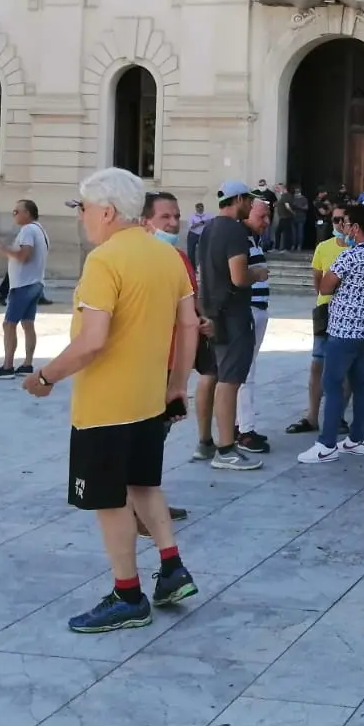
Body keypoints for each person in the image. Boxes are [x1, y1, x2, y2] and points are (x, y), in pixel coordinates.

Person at [23, 168, 199, 632]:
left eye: (82, 208)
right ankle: (172, 566)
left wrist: (46, 376)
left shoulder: (104, 261)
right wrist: (177, 382)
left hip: (105, 407)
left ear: (106, 211)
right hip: (148, 398)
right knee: (144, 484)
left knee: (109, 499)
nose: (81, 217)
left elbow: (92, 340)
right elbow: (188, 325)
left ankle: (127, 593)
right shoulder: (166, 257)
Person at [297, 203, 364, 464]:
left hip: (344, 330)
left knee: (332, 383)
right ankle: (357, 439)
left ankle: (326, 444)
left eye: (345, 224)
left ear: (356, 228)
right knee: (359, 383)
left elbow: (325, 287)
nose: (342, 229)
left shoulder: (350, 255)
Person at [196, 181, 265, 471]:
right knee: (230, 381)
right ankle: (226, 449)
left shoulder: (208, 228)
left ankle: (205, 442)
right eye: (248, 200)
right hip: (233, 315)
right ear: (238, 200)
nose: (251, 205)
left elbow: (205, 275)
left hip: (212, 312)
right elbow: (238, 277)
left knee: (211, 375)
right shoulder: (236, 231)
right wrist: (257, 272)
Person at [140, 190, 193, 527]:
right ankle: (140, 508)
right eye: (165, 217)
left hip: (172, 362)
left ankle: (149, 501)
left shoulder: (178, 257)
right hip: (146, 362)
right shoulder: (138, 259)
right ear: (146, 222)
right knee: (145, 437)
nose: (174, 222)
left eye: (176, 216)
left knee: (158, 435)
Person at [288, 206, 351, 435]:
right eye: (335, 220)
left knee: (344, 369)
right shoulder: (323, 248)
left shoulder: (359, 250)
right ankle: (312, 417)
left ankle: (339, 417)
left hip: (348, 315)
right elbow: (318, 282)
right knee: (317, 365)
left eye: (343, 220)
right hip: (326, 312)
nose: (338, 224)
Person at [0, 200, 48, 379]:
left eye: (16, 212)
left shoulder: (28, 230)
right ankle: (27, 364)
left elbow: (24, 255)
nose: (14, 214)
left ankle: (7, 366)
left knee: (9, 324)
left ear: (27, 213)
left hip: (24, 284)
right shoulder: (40, 229)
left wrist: (6, 251)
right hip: (35, 283)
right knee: (28, 324)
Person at [238, 195, 275, 437]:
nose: (267, 221)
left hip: (258, 309)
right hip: (249, 310)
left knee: (246, 371)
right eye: (261, 216)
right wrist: (258, 273)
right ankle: (245, 429)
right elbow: (239, 275)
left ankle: (241, 425)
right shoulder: (240, 239)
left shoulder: (253, 238)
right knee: (244, 373)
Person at [272, 185, 298, 252]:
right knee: (279, 232)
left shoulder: (286, 195)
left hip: (286, 217)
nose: (277, 190)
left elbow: (287, 206)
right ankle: (277, 248)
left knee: (286, 233)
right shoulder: (283, 196)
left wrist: (293, 213)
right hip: (283, 217)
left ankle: (286, 248)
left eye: (279, 188)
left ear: (284, 189)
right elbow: (280, 204)